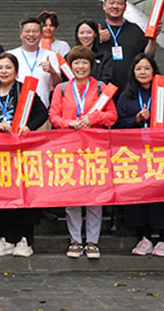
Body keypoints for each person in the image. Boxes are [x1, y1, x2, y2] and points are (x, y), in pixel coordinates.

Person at [49, 46, 117, 259]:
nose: (80, 66)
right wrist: (67, 123)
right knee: (72, 196)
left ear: (91, 65)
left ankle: (92, 241)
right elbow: (53, 115)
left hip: (95, 149)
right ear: (70, 66)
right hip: (69, 148)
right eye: (76, 62)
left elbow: (112, 116)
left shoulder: (101, 88)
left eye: (84, 62)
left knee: (95, 196)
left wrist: (94, 118)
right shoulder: (61, 89)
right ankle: (76, 240)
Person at [115, 54, 164, 257]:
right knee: (138, 196)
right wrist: (136, 119)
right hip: (136, 156)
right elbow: (117, 125)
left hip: (161, 155)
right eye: (139, 69)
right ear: (133, 72)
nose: (143, 72)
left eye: (147, 68)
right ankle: (144, 237)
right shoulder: (126, 97)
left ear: (154, 71)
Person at [0, 52, 48, 258]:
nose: (4, 71)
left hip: (22, 152)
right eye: (0, 68)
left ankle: (25, 239)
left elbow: (42, 113)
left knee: (23, 192)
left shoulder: (26, 91)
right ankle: (5, 238)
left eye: (8, 67)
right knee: (1, 193)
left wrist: (29, 127)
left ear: (16, 70)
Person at [97, 0, 158, 95]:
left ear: (125, 7)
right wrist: (97, 39)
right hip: (102, 88)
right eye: (111, 3)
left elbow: (148, 56)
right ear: (104, 6)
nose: (115, 6)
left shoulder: (135, 30)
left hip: (130, 88)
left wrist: (153, 39)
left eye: (119, 3)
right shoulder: (96, 30)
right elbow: (82, 54)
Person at [10, 18, 62, 108]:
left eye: (35, 31)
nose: (31, 34)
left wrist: (52, 71)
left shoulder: (51, 55)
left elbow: (58, 84)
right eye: (27, 31)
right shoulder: (11, 55)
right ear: (21, 34)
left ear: (41, 34)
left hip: (43, 108)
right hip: (17, 108)